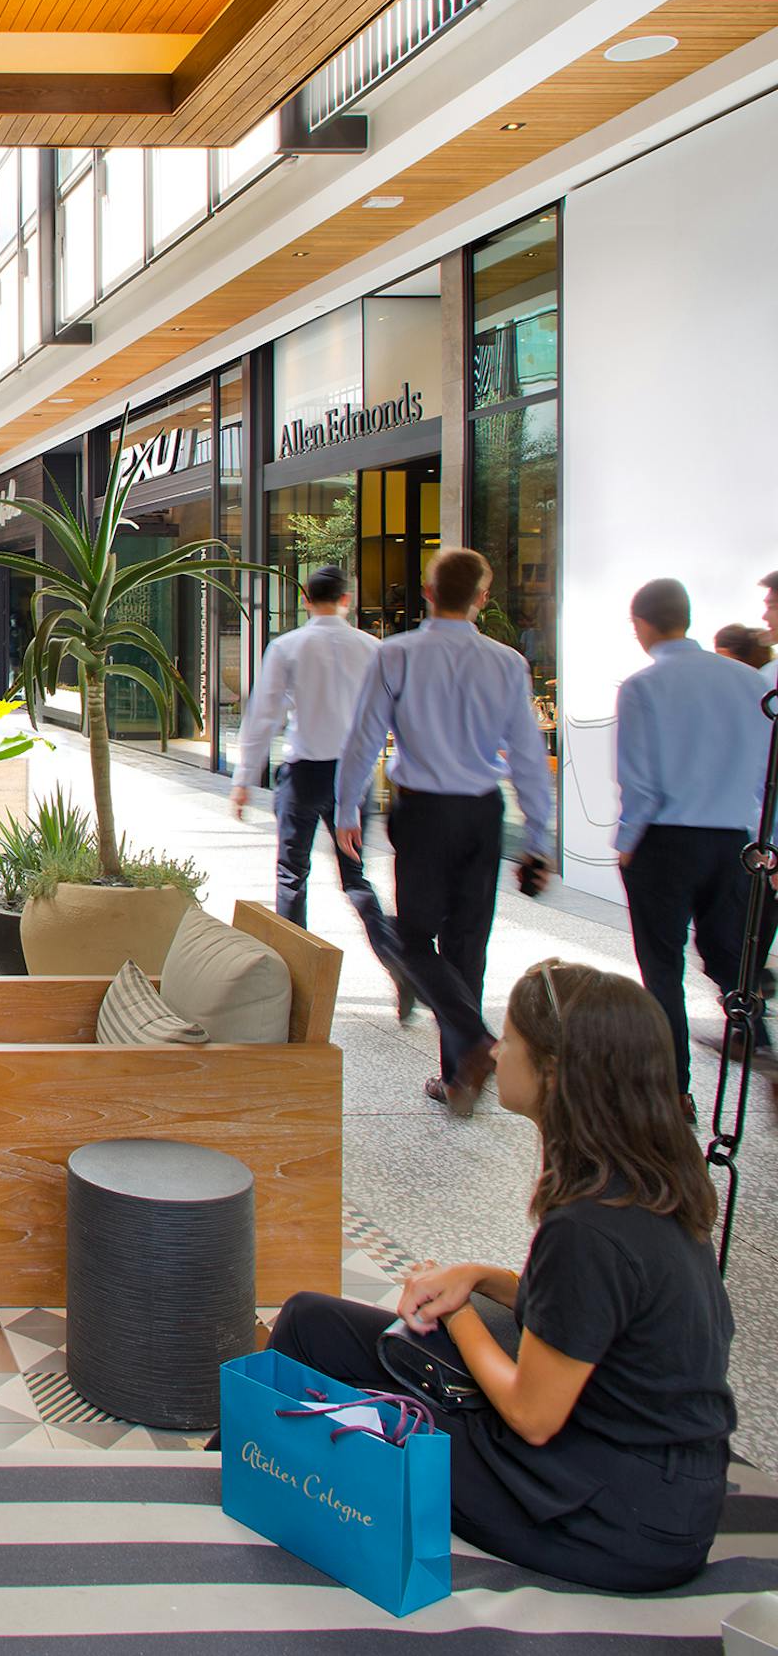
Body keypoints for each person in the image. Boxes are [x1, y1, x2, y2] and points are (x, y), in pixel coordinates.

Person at [253, 962, 735, 1594]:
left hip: (614, 1516)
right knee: (313, 1322)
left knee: (376, 1425)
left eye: (510, 1041)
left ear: (556, 1073)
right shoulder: (650, 1185)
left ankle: (245, 1519)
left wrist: (460, 1315)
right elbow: (595, 1316)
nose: (497, 1052)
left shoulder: (589, 1228)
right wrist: (479, 1277)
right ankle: (242, 1476)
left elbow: (531, 1414)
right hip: (641, 1480)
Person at [335, 548, 554, 1115]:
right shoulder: (507, 663)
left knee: (413, 940)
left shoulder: (398, 654)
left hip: (424, 813)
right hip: (482, 814)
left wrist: (346, 809)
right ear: (482, 599)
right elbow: (528, 754)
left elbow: (364, 738)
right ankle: (460, 1076)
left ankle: (475, 1045)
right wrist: (539, 834)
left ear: (428, 593)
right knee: (467, 943)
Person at [230, 565, 414, 1017]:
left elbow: (263, 716)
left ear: (306, 601)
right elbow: (396, 716)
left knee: (292, 875)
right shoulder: (374, 649)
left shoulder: (289, 647)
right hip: (353, 777)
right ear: (347, 600)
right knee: (356, 877)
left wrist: (242, 780)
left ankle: (294, 988)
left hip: (304, 772)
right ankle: (399, 963)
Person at [614, 578, 772, 1086]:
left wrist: (626, 844)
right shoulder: (751, 682)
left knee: (662, 969)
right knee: (728, 955)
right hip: (734, 842)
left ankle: (675, 1090)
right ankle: (760, 1047)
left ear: (641, 624)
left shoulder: (643, 685)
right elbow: (768, 774)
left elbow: (639, 781)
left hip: (664, 841)